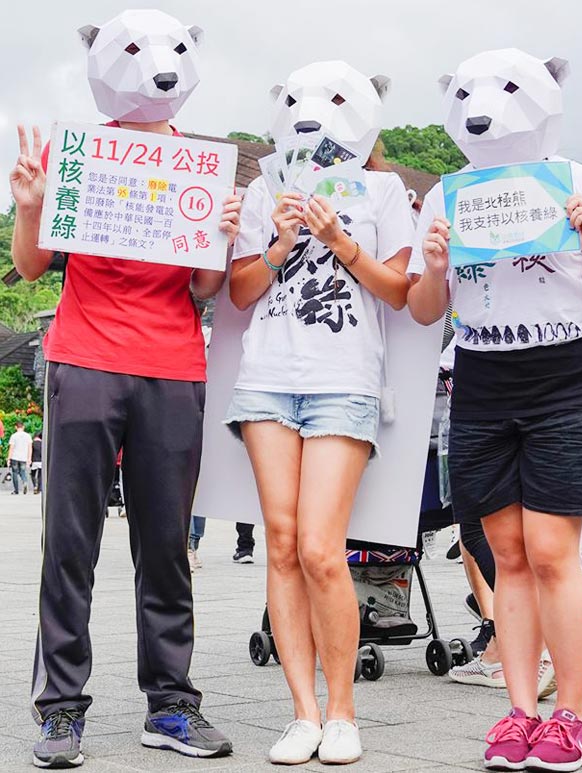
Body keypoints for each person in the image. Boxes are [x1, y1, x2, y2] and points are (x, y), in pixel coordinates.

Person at [10, 10, 240, 769]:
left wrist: (225, 230)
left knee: (167, 543)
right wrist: (34, 199)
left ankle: (170, 703)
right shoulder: (78, 151)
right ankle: (60, 710)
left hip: (173, 362)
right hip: (84, 357)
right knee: (69, 541)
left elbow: (206, 285)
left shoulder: (202, 165)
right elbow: (35, 266)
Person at [407, 48, 582, 772]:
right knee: (505, 553)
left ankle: (572, 716)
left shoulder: (580, 181)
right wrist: (438, 268)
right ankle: (519, 713)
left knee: (550, 551)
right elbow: (422, 310)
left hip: (567, 373)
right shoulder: (446, 194)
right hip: (482, 375)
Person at [223, 60, 414, 765]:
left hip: (345, 379)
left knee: (319, 548)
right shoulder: (263, 186)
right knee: (278, 542)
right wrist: (277, 243)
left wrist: (340, 240)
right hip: (268, 377)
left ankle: (343, 712)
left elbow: (398, 291)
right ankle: (301, 710)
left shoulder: (386, 188)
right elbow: (239, 293)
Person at [8, 421, 32, 495]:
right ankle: (24, 482)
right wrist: (29, 458)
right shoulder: (28, 436)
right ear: (23, 427)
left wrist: (9, 458)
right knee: (22, 471)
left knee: (15, 473)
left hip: (15, 457)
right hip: (24, 458)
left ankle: (16, 490)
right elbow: (30, 448)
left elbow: (11, 448)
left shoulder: (13, 436)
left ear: (16, 427)